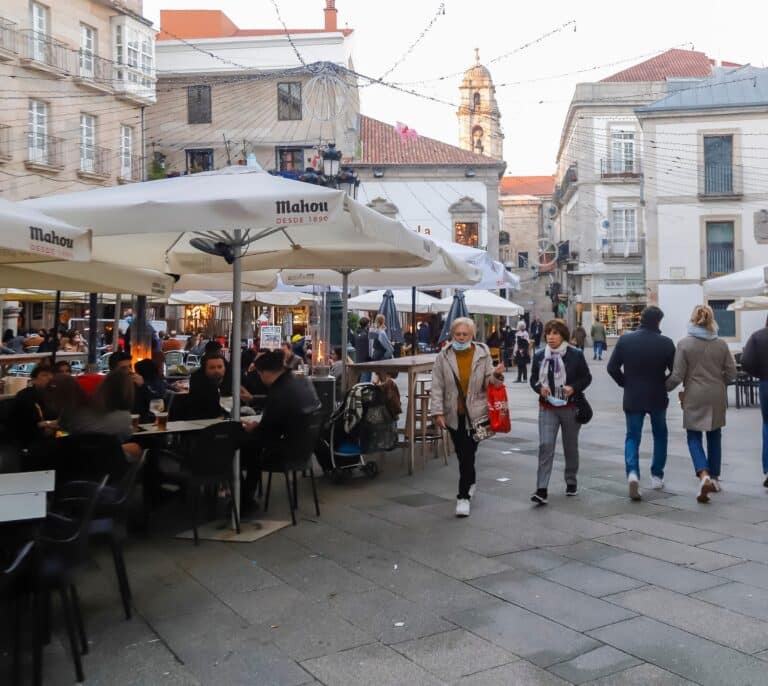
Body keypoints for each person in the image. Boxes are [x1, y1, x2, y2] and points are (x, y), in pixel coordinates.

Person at [431, 317, 505, 517]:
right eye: (458, 334)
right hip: (453, 413)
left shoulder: (482, 353)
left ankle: (463, 497)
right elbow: (437, 385)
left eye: (465, 334)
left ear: (472, 335)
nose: (461, 338)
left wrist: (497, 375)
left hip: (476, 414)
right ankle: (470, 481)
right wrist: (437, 412)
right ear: (452, 334)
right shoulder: (443, 356)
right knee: (464, 455)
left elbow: (490, 382)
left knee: (467, 455)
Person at [666, 305, 737, 502]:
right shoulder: (721, 344)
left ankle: (703, 475)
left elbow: (677, 375)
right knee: (715, 435)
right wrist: (718, 380)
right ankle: (714, 478)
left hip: (694, 394)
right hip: (716, 395)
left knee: (693, 436)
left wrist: (662, 389)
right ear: (712, 320)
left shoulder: (684, 344)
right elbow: (732, 374)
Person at [607, 306, 676, 500]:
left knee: (632, 436)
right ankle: (656, 475)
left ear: (641, 319)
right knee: (660, 435)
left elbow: (612, 367)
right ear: (659, 321)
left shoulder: (626, 340)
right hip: (657, 395)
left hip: (633, 395)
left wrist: (625, 383)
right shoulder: (666, 343)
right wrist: (664, 384)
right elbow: (675, 371)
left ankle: (632, 473)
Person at [240, 350, 321, 511]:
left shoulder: (278, 392)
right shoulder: (301, 380)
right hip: (306, 448)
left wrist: (251, 429)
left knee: (243, 449)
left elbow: (266, 433)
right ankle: (245, 497)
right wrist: (254, 399)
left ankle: (244, 500)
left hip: (286, 452)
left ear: (264, 373)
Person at [529, 319, 592, 505]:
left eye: (555, 333)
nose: (551, 336)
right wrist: (539, 388)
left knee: (570, 446)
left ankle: (571, 480)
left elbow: (586, 377)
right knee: (545, 445)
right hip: (547, 407)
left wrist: (574, 387)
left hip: (570, 407)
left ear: (563, 335)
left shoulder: (575, 355)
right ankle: (541, 489)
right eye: (548, 333)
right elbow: (533, 378)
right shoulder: (540, 355)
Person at [741, 315, 768, 487]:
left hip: (766, 383)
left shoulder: (757, 336)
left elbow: (746, 361)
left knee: (767, 425)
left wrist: (760, 375)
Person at [9, 362, 58, 446]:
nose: (50, 378)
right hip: (31, 441)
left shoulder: (57, 394)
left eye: (51, 375)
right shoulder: (24, 396)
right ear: (33, 380)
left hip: (57, 436)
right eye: (44, 375)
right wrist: (44, 426)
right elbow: (20, 424)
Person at [187, 354, 228, 420]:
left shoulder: (231, 379)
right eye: (212, 368)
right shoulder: (200, 383)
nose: (216, 371)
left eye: (220, 367)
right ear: (204, 370)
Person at [354, 317, 372, 382]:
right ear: (367, 324)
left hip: (358, 359)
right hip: (366, 361)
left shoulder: (357, 333)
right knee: (365, 380)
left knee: (360, 379)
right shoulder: (367, 334)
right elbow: (369, 348)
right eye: (369, 323)